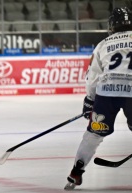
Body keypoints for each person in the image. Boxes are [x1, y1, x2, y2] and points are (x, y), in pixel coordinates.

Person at [64, 7, 132, 190]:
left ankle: (76, 173)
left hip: (107, 92)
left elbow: (93, 76)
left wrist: (90, 100)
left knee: (93, 134)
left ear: (112, 25)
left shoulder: (103, 44)